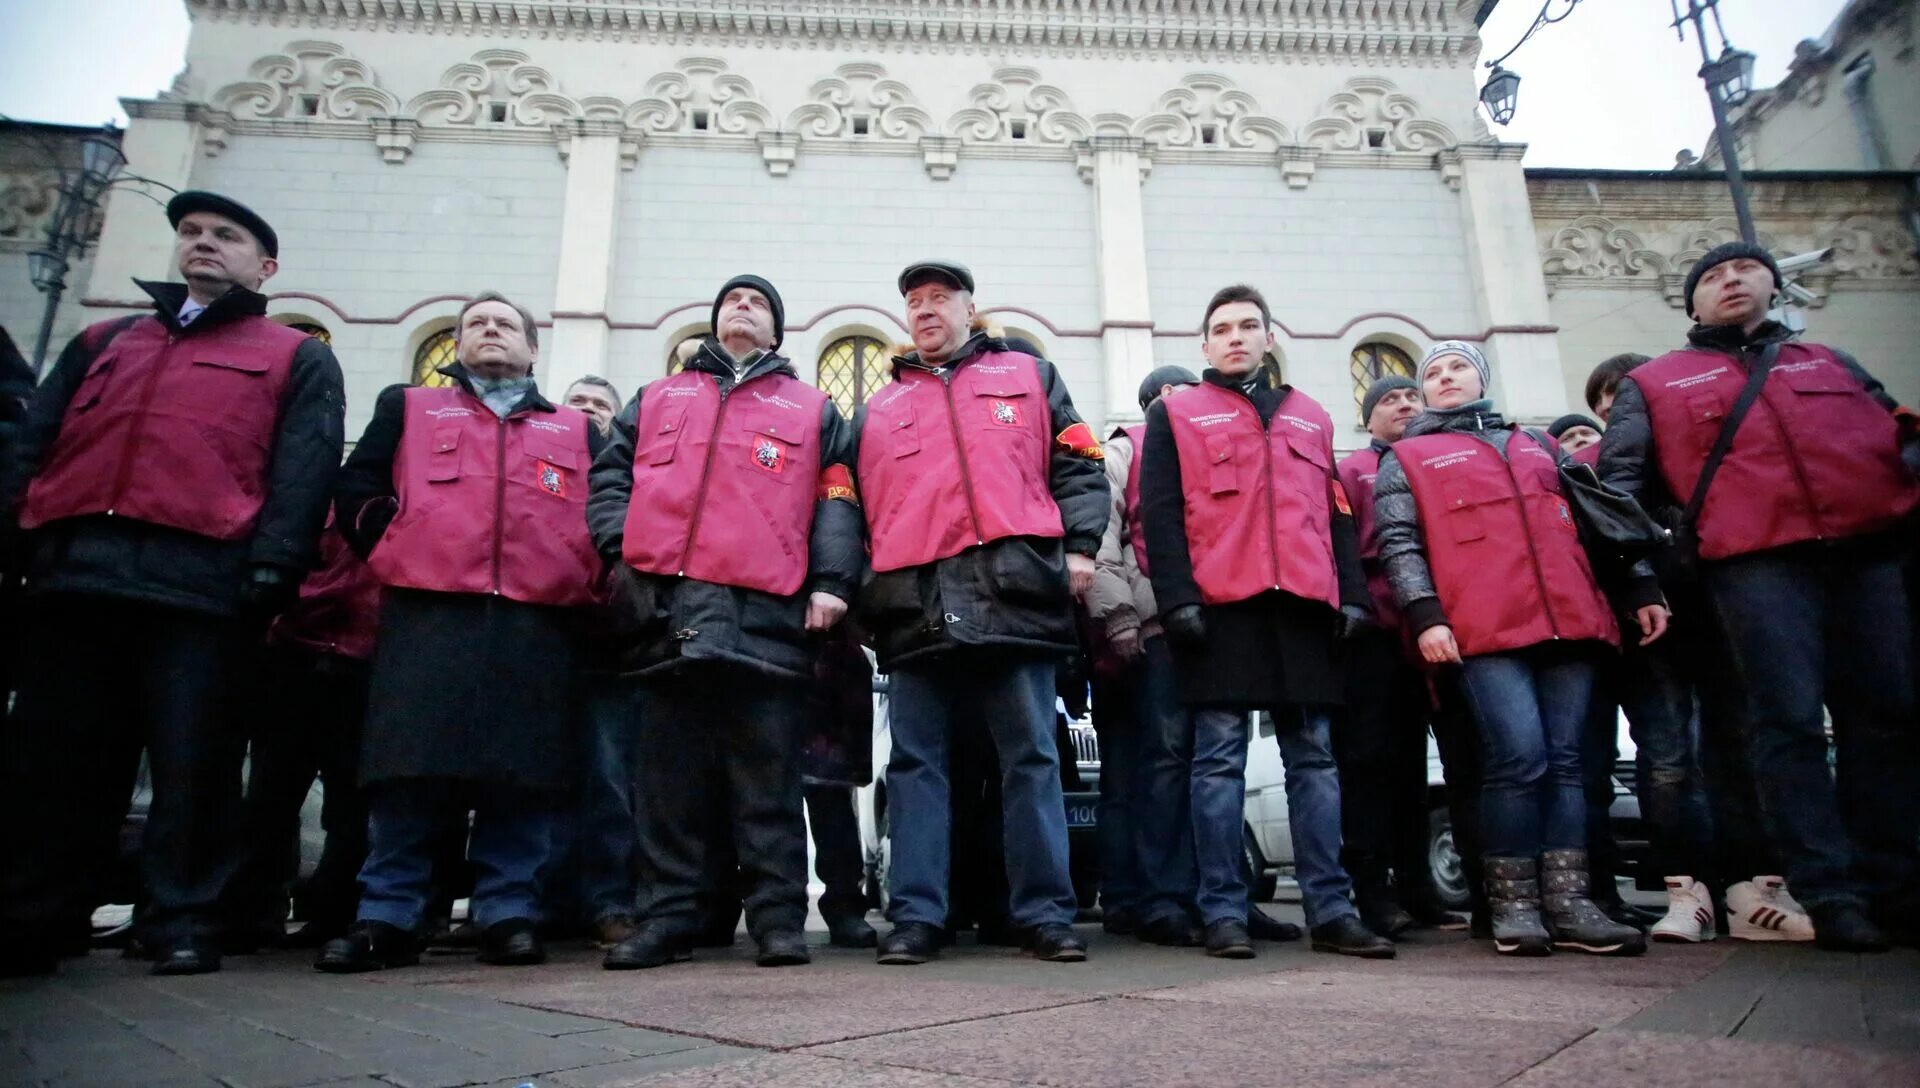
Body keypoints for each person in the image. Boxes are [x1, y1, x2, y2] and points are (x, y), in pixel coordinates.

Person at [0, 192, 345, 977]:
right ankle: (34, 915)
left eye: (226, 236)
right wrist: (16, 535)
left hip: (201, 584)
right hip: (78, 574)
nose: (203, 244)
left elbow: (303, 467)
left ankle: (182, 916)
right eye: (191, 233)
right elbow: (36, 442)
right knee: (54, 760)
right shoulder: (104, 339)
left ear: (265, 267)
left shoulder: (293, 355)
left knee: (196, 765)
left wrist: (274, 566)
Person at [1599, 241, 1920, 951]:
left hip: (1867, 556)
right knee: (1787, 723)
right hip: (1754, 563)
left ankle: (1897, 886)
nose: (1730, 281)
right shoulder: (1656, 383)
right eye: (1711, 277)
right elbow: (1620, 491)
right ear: (1692, 304)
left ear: (1773, 285)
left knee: (1888, 718)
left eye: (1744, 269)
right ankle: (1831, 891)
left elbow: (1898, 438)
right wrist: (1643, 575)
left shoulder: (1831, 363)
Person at [320, 291, 602, 973]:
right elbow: (357, 487)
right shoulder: (410, 408)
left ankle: (508, 912)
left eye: (506, 323)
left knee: (523, 772)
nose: (491, 331)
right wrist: (397, 547)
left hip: (538, 616)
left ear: (533, 349)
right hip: (429, 611)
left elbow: (603, 511)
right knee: (410, 771)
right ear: (457, 345)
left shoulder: (575, 429)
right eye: (476, 323)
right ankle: (388, 913)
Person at [587, 275, 862, 970]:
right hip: (668, 612)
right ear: (713, 324)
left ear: (777, 331)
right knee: (669, 783)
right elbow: (612, 477)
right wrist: (622, 549)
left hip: (766, 617)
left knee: (767, 781)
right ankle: (667, 918)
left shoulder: (812, 407)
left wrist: (831, 582)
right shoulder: (657, 398)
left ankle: (777, 920)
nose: (744, 308)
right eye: (732, 302)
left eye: (760, 303)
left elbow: (836, 499)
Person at [1373, 340, 1665, 957]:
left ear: (1481, 380)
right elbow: (1400, 543)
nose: (1446, 378)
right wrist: (1426, 615)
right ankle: (1513, 903)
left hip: (1570, 620)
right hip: (1482, 630)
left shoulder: (1539, 445)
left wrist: (1640, 585)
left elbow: (1597, 522)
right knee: (1518, 756)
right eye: (1434, 372)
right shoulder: (1408, 458)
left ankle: (1571, 902)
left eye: (1458, 368)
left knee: (1565, 762)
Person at [855, 259, 1107, 965]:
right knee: (915, 766)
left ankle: (1045, 914)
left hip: (1014, 595)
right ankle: (916, 918)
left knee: (1029, 759)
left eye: (941, 298)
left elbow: (1079, 462)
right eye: (915, 302)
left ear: (972, 310)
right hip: (914, 605)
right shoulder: (878, 408)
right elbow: (850, 511)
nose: (927, 311)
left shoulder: (1030, 378)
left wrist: (1081, 547)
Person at [1138, 284, 1393, 960]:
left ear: (1269, 337)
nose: (1236, 337)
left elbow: (1335, 512)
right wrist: (1177, 599)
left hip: (1305, 607)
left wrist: (1353, 596)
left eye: (1249, 326)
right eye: (1221, 328)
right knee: (1216, 761)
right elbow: (1160, 515)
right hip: (1221, 608)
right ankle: (1222, 908)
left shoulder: (1311, 416)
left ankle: (1331, 909)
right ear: (1204, 345)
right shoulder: (1179, 413)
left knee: (1314, 761)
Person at [1335, 375, 1471, 936]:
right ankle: (1373, 892)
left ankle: (1420, 888)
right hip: (1375, 634)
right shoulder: (1351, 471)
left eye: (1410, 397)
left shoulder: (1434, 460)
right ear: (1367, 419)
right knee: (1369, 763)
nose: (1405, 404)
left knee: (1419, 768)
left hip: (1440, 632)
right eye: (1388, 400)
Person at [223, 517, 381, 950]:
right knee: (278, 795)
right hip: (311, 658)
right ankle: (269, 912)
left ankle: (317, 912)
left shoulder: (342, 508)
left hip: (348, 661)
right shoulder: (338, 509)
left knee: (326, 799)